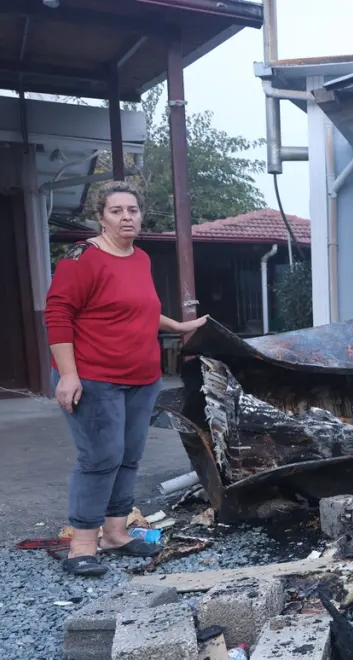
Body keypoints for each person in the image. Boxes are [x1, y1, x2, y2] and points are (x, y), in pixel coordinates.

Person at [44, 182, 207, 576]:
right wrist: (68, 375)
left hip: (142, 378)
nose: (126, 217)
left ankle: (116, 532)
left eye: (132, 210)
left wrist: (180, 325)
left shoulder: (140, 258)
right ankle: (83, 544)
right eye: (116, 211)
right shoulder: (82, 258)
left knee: (128, 457)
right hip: (94, 377)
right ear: (101, 218)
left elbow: (141, 311)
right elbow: (57, 316)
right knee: (100, 458)